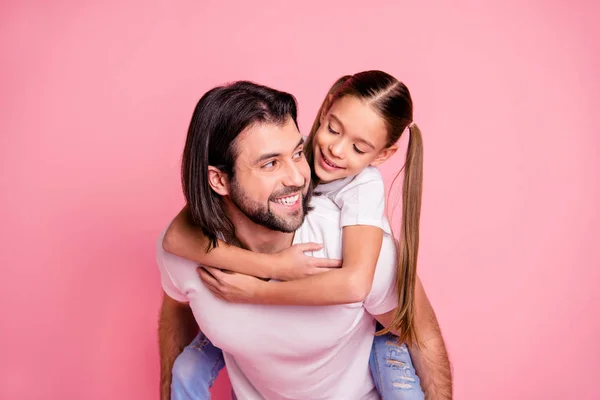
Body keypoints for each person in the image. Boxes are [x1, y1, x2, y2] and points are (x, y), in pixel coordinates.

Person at [158, 79, 452, 399]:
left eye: (298, 153)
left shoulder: (355, 240)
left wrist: (257, 290)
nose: (298, 177)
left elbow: (420, 334)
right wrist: (269, 266)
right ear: (218, 179)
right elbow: (176, 292)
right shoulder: (188, 250)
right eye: (271, 163)